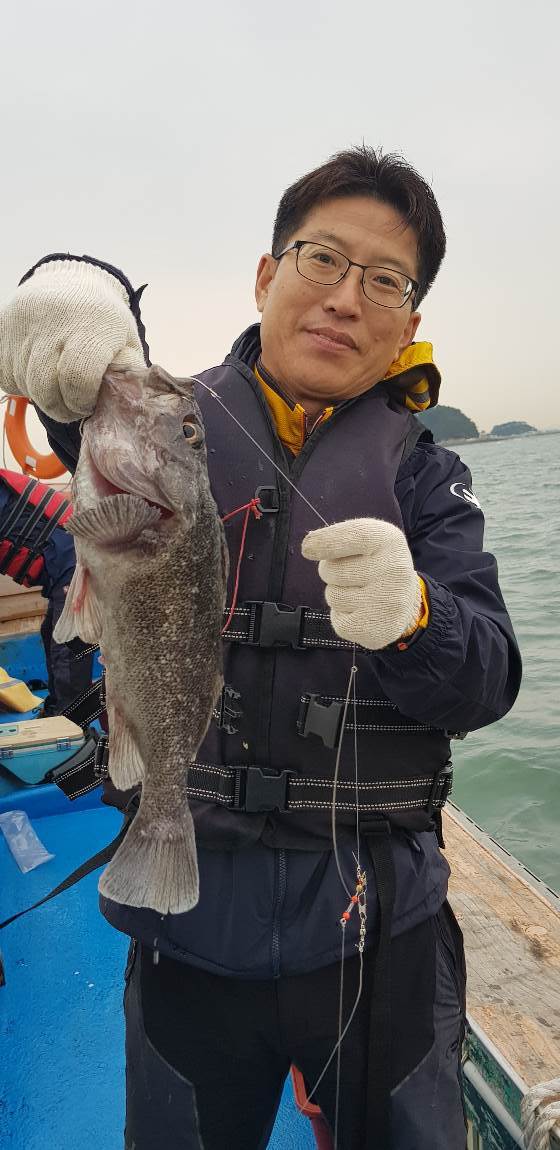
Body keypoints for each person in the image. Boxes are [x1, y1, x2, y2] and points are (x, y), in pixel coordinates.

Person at [0, 147, 521, 1150]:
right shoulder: (161, 420)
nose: (343, 298)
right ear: (263, 273)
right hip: (191, 926)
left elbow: (488, 674)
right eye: (319, 259)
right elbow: (76, 363)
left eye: (383, 280)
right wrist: (76, 291)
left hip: (378, 930)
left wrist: (418, 615)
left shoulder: (426, 478)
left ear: (408, 322)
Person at [0, 468, 94, 716]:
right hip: (62, 563)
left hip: (75, 561)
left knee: (67, 646)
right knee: (50, 633)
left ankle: (73, 719)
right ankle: (59, 709)